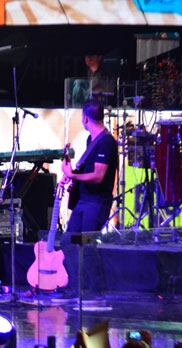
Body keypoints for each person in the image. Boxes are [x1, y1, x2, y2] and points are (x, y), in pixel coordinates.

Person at [56, 99, 118, 300]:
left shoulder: (107, 142)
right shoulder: (91, 141)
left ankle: (96, 290)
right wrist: (72, 172)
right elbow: (86, 170)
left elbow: (99, 176)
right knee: (69, 241)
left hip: (97, 202)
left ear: (85, 118)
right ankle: (76, 286)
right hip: (84, 201)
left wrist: (73, 176)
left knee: (88, 245)